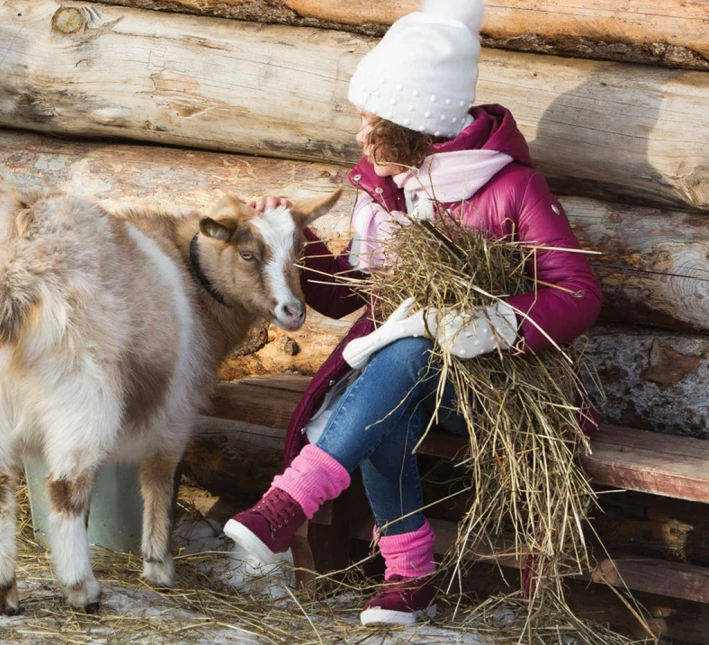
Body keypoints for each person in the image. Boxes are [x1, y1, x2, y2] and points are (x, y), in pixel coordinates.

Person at [223, 0, 602, 627]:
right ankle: (409, 578)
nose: (358, 136)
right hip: (407, 383)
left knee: (411, 351)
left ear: (413, 123)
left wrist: (490, 325)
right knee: (394, 379)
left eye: (371, 121)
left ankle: (291, 503)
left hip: (492, 385)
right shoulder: (385, 190)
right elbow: (349, 296)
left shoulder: (509, 187)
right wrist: (293, 238)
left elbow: (577, 292)